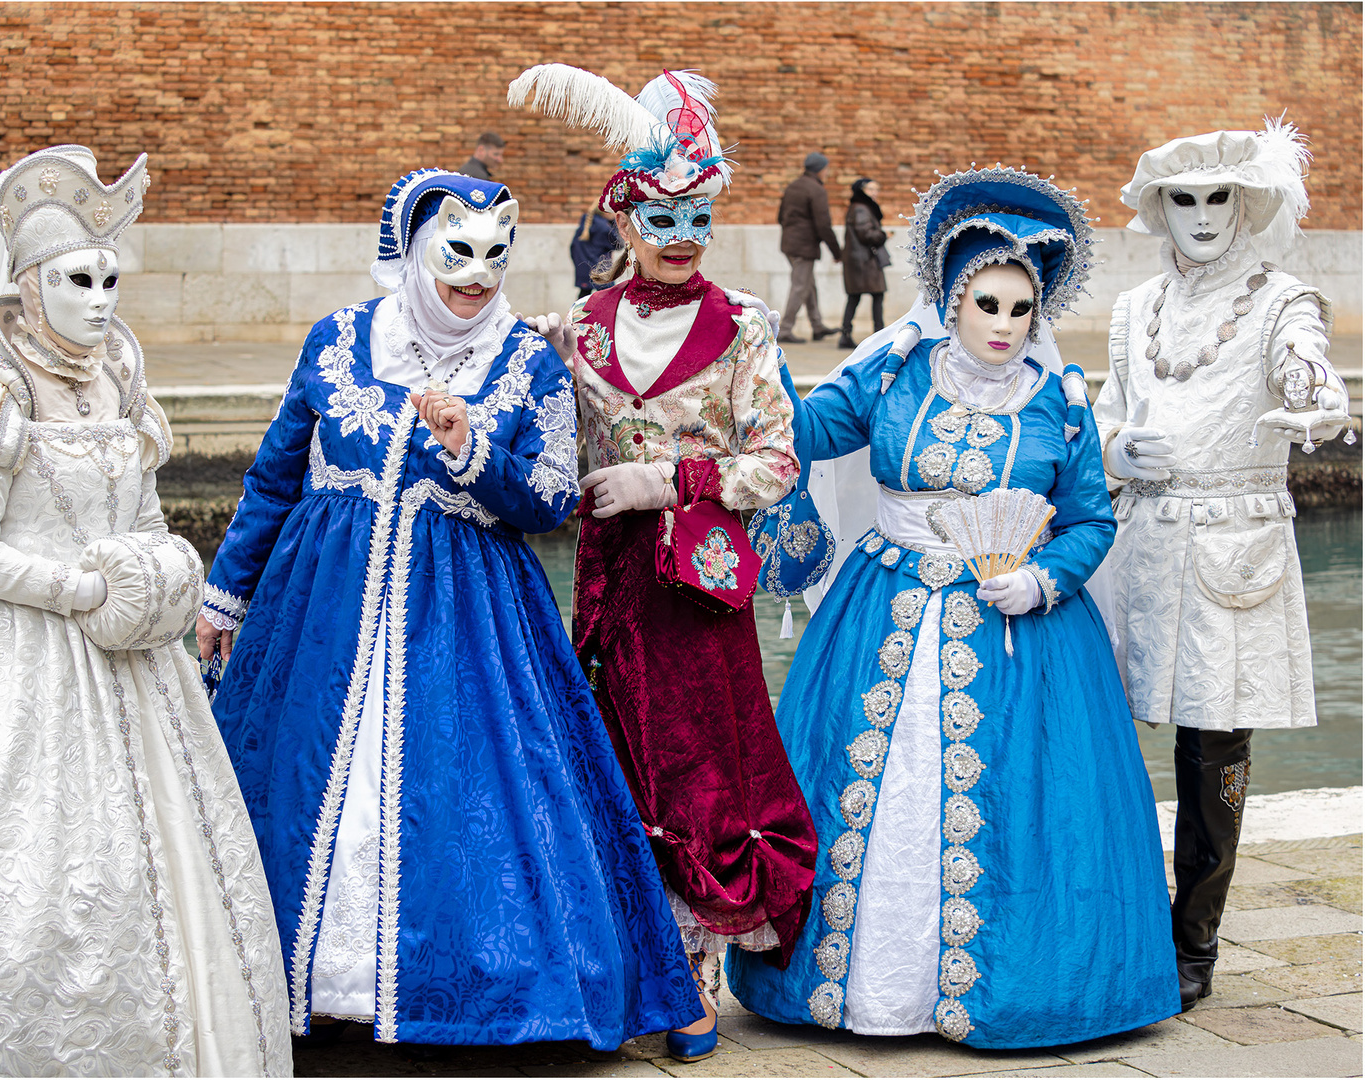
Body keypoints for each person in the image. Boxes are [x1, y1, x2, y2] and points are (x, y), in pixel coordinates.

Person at [194, 167, 700, 1049]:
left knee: (463, 804)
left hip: (468, 626)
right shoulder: (340, 340)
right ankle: (298, 984)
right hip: (319, 619)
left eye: (495, 258)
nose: (477, 276)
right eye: (456, 256)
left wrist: (471, 450)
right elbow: (275, 479)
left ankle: (472, 995)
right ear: (413, 252)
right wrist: (225, 594)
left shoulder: (527, 362)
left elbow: (548, 500)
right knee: (298, 782)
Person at [726, 166, 1180, 1048]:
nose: (1006, 327)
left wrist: (1044, 578)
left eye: (1022, 309)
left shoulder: (1063, 403)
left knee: (1030, 811)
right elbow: (803, 431)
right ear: (951, 300)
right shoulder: (892, 374)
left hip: (1026, 639)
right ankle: (855, 988)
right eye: (988, 306)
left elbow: (1088, 517)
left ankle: (1025, 988)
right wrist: (749, 347)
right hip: (881, 608)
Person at [0, 146, 293, 1076]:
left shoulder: (123, 382)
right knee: (30, 874)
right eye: (77, 280)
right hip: (20, 661)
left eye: (109, 280)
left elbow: (148, 520)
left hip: (139, 666)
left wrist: (164, 574)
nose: (99, 299)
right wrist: (83, 590)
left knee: (172, 871)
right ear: (26, 289)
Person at [510, 64, 818, 1063]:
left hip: (701, 589)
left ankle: (689, 987)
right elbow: (508, 383)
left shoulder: (743, 327)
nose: (680, 237)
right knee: (614, 767)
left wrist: (672, 485)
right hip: (609, 587)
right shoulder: (582, 327)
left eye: (696, 217)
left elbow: (776, 459)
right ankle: (621, 971)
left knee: (700, 779)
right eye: (660, 217)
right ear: (623, 217)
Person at [1095, 119, 1352, 1011]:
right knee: (1112, 736)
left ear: (1244, 202)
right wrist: (1118, 450)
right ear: (1157, 209)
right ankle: (1116, 919)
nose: (1200, 216)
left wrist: (1316, 403)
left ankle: (1192, 940)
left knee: (1213, 749)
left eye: (1215, 197)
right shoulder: (1133, 311)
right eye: (1182, 199)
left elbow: (1305, 369)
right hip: (1141, 543)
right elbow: (1105, 412)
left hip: (1232, 550)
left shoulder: (1282, 298)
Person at [777, 151, 842, 344]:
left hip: (789, 244)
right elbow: (824, 225)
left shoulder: (793, 186)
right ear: (821, 170)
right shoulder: (816, 189)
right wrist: (837, 251)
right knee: (800, 287)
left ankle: (817, 326)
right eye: (826, 169)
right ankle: (785, 329)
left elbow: (780, 217)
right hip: (804, 247)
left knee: (808, 285)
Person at [840, 177, 889, 350]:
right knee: (875, 295)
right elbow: (865, 233)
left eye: (876, 189)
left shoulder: (860, 207)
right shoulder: (861, 208)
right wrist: (882, 235)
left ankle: (846, 334)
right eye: (870, 189)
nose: (874, 193)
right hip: (864, 261)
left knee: (856, 297)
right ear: (861, 190)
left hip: (861, 260)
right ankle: (879, 334)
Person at [571, 203, 620, 297]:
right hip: (601, 269)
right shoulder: (604, 228)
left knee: (584, 295)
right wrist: (615, 222)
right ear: (606, 212)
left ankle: (578, 312)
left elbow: (573, 248)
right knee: (610, 295)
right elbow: (618, 244)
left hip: (583, 267)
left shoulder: (584, 225)